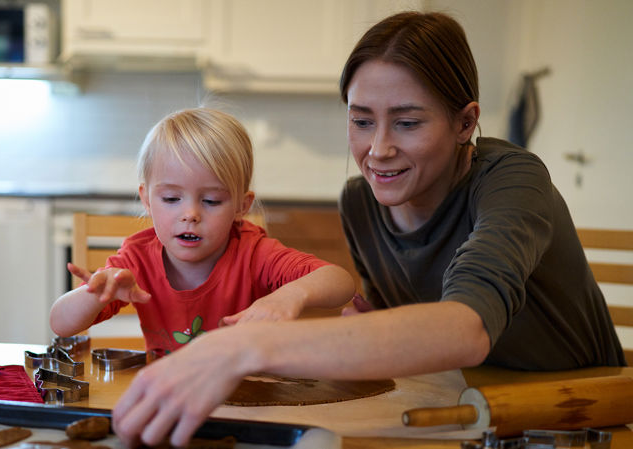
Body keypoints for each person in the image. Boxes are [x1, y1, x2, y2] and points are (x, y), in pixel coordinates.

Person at [110, 11, 626, 448]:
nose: (377, 150)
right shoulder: (361, 201)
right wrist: (371, 325)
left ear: (465, 123)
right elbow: (403, 335)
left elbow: (465, 329)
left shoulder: (514, 180)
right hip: (459, 408)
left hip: (575, 417)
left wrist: (245, 347)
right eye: (361, 121)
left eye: (407, 122)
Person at [49, 107, 356, 354]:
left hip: (247, 398)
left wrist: (290, 296)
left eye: (211, 200)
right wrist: (97, 295)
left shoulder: (254, 253)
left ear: (241, 205)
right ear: (146, 199)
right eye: (171, 199)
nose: (190, 214)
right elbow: (60, 323)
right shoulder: (136, 260)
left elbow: (341, 283)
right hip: (171, 397)